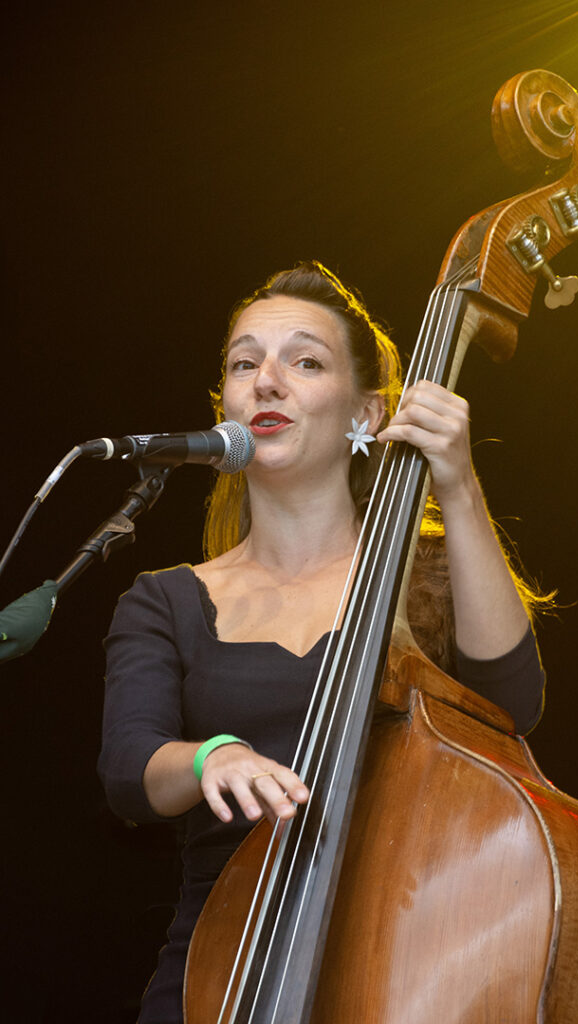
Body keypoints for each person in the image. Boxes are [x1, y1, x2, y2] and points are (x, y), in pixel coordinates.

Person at [99, 261, 547, 1022]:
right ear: (226, 404)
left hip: (398, 969)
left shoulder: (428, 572)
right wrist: (212, 757)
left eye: (305, 362)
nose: (267, 383)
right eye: (244, 365)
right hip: (219, 978)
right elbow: (129, 770)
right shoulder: (167, 599)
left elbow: (511, 704)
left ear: (367, 413)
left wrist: (458, 485)